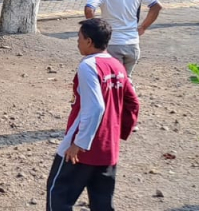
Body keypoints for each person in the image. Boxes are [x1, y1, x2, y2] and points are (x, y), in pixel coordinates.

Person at [46, 18, 140, 211]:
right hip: (108, 148)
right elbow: (133, 102)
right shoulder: (117, 66)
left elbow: (96, 107)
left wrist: (79, 143)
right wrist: (118, 132)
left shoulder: (88, 66)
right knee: (102, 204)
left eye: (79, 37)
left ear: (89, 41)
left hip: (81, 151)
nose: (77, 41)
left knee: (58, 197)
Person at [84, 0, 162, 74]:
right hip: (132, 44)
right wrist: (143, 27)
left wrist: (97, 30)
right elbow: (156, 6)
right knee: (126, 81)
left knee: (113, 82)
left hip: (112, 44)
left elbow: (89, 9)